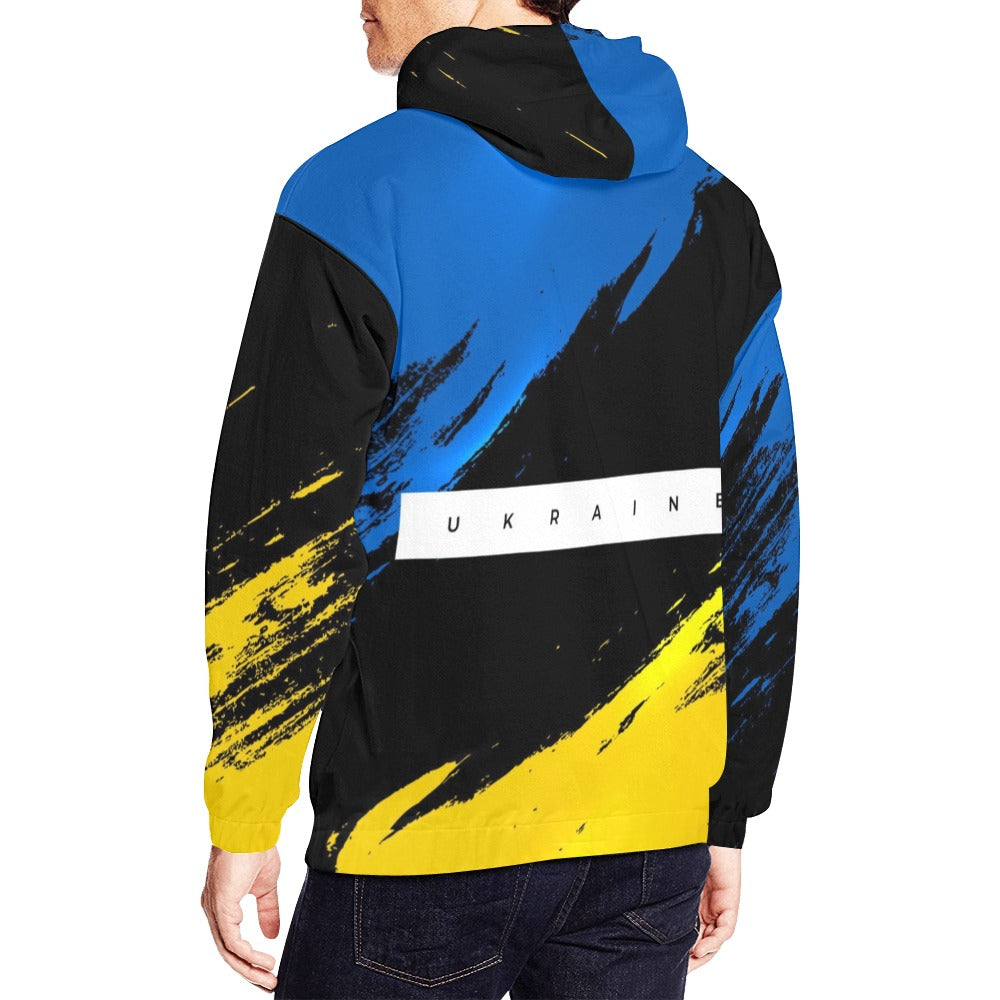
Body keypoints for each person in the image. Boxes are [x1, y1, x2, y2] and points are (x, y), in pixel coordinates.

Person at [199, 1, 800, 996]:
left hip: (414, 835)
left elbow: (281, 533)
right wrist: (725, 808)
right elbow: (763, 525)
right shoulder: (709, 208)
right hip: (645, 840)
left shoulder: (361, 193)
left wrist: (245, 811)